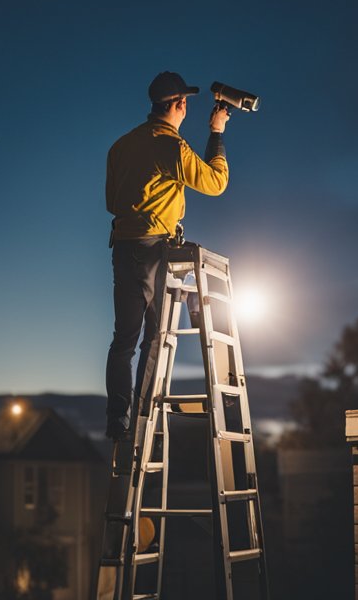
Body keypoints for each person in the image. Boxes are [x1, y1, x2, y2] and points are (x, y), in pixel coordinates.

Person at [104, 71, 230, 440]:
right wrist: (217, 132)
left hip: (123, 246)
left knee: (123, 340)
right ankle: (143, 419)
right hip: (154, 249)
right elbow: (215, 183)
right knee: (157, 337)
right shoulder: (171, 146)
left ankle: (118, 419)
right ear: (180, 105)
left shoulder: (121, 146)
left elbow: (112, 201)